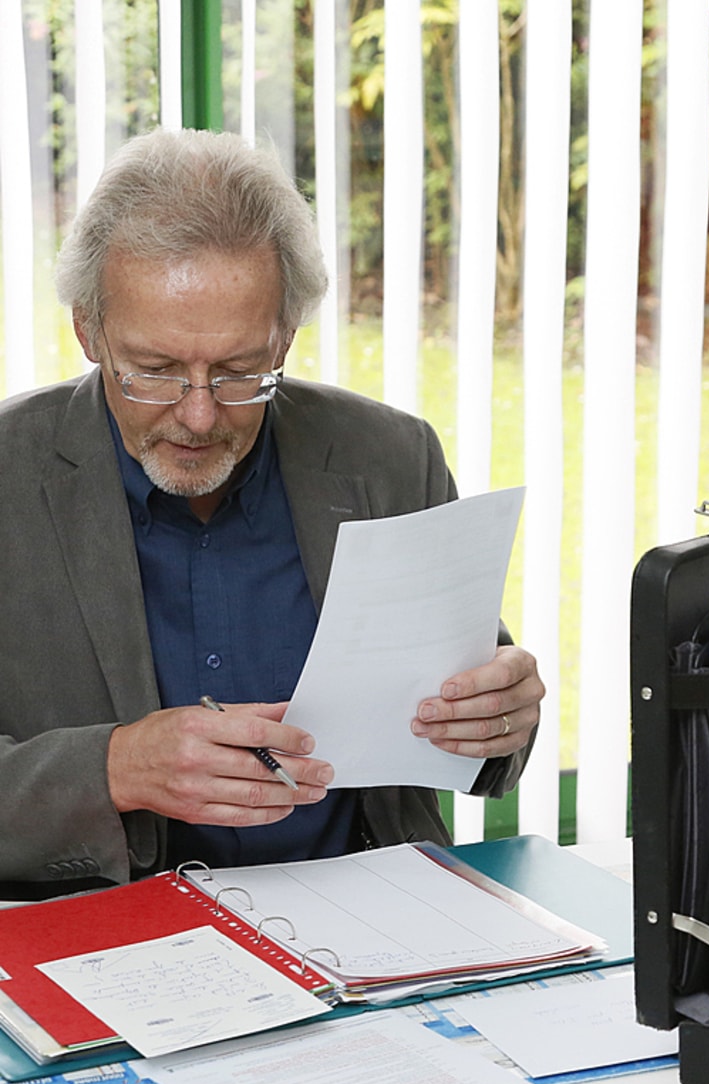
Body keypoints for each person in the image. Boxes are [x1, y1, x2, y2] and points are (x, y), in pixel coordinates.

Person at [0, 128, 544, 892]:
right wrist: (115, 767)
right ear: (89, 332)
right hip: (106, 931)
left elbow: (482, 723)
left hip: (371, 913)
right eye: (154, 371)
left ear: (283, 338)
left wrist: (499, 717)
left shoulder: (389, 458)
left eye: (239, 370)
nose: (197, 415)